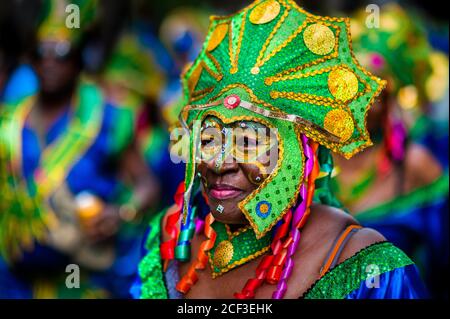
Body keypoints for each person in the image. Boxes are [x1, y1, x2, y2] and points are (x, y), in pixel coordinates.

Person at [132, 0, 428, 299]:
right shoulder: (167, 236)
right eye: (208, 140)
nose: (219, 164)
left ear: (297, 151)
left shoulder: (363, 265)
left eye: (247, 142)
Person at [0, 0, 156, 298]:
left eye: (61, 53)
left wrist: (121, 213)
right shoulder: (9, 120)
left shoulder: (106, 118)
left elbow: (146, 184)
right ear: (29, 60)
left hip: (81, 283)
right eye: (40, 53)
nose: (49, 61)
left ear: (79, 59)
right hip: (12, 281)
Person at [332, 4, 448, 298]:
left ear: (389, 102)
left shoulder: (413, 164)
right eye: (349, 88)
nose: (358, 102)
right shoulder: (307, 165)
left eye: (374, 94)